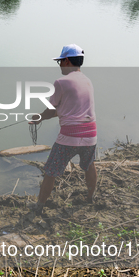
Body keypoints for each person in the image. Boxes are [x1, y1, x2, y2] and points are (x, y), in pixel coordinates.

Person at [28, 44, 97, 216]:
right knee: (89, 166)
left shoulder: (61, 83)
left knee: (50, 172)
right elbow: (67, 109)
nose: (59, 65)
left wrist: (38, 118)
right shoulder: (87, 81)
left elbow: (52, 110)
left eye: (60, 61)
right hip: (90, 134)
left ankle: (39, 206)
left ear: (66, 61)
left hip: (69, 137)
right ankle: (90, 198)